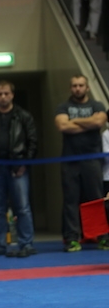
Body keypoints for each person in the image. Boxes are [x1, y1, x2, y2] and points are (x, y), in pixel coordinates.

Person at [0, 81, 38, 258]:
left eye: (6, 94)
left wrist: (25, 164)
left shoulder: (24, 116)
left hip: (17, 168)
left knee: (22, 208)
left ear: (12, 95)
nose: (3, 97)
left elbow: (33, 142)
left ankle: (26, 244)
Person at [54, 74, 108, 252]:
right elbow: (62, 126)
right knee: (71, 199)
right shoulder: (63, 107)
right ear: (71, 88)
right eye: (75, 86)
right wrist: (88, 123)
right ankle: (71, 238)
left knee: (95, 198)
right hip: (69, 160)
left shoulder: (97, 105)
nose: (78, 88)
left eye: (81, 85)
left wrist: (75, 121)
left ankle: (101, 236)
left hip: (92, 159)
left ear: (87, 87)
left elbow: (99, 122)